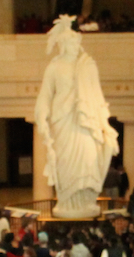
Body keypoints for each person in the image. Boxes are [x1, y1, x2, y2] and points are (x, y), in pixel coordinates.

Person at [34, 17, 119, 218]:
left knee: (88, 158)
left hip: (85, 120)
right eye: (71, 43)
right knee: (65, 163)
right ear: (62, 45)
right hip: (62, 121)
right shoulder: (54, 67)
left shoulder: (87, 65)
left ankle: (85, 201)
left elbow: (97, 97)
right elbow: (45, 96)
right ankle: (67, 202)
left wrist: (104, 124)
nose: (75, 46)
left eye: (76, 43)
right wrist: (42, 117)